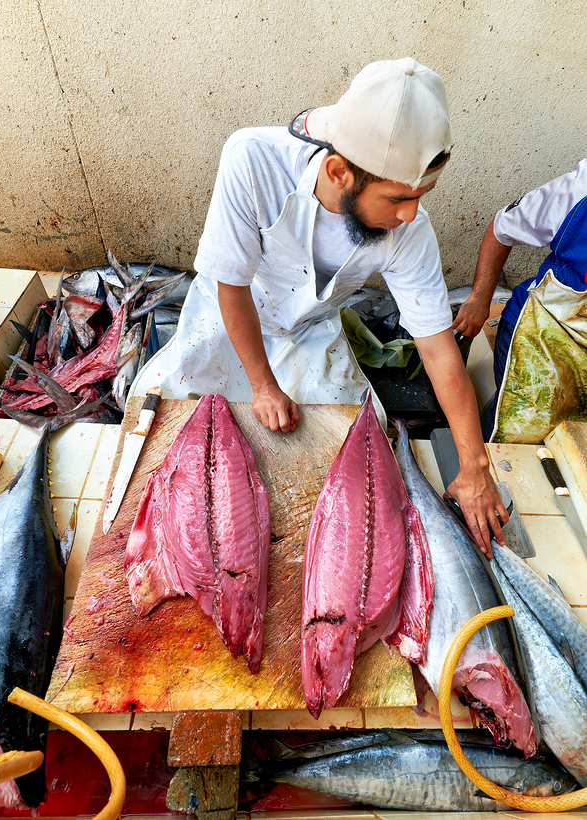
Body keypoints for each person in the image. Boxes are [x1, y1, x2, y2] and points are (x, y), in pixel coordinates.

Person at [131, 57, 508, 556]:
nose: (411, 213)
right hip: (230, 313)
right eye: (397, 198)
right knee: (173, 438)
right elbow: (232, 286)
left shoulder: (411, 231)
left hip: (311, 328)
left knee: (351, 463)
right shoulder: (253, 160)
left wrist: (474, 465)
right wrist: (264, 386)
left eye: (423, 195)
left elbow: (438, 350)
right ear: (339, 172)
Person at [453, 159, 587, 435]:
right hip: (539, 338)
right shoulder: (578, 193)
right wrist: (479, 299)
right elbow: (501, 228)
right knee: (519, 432)